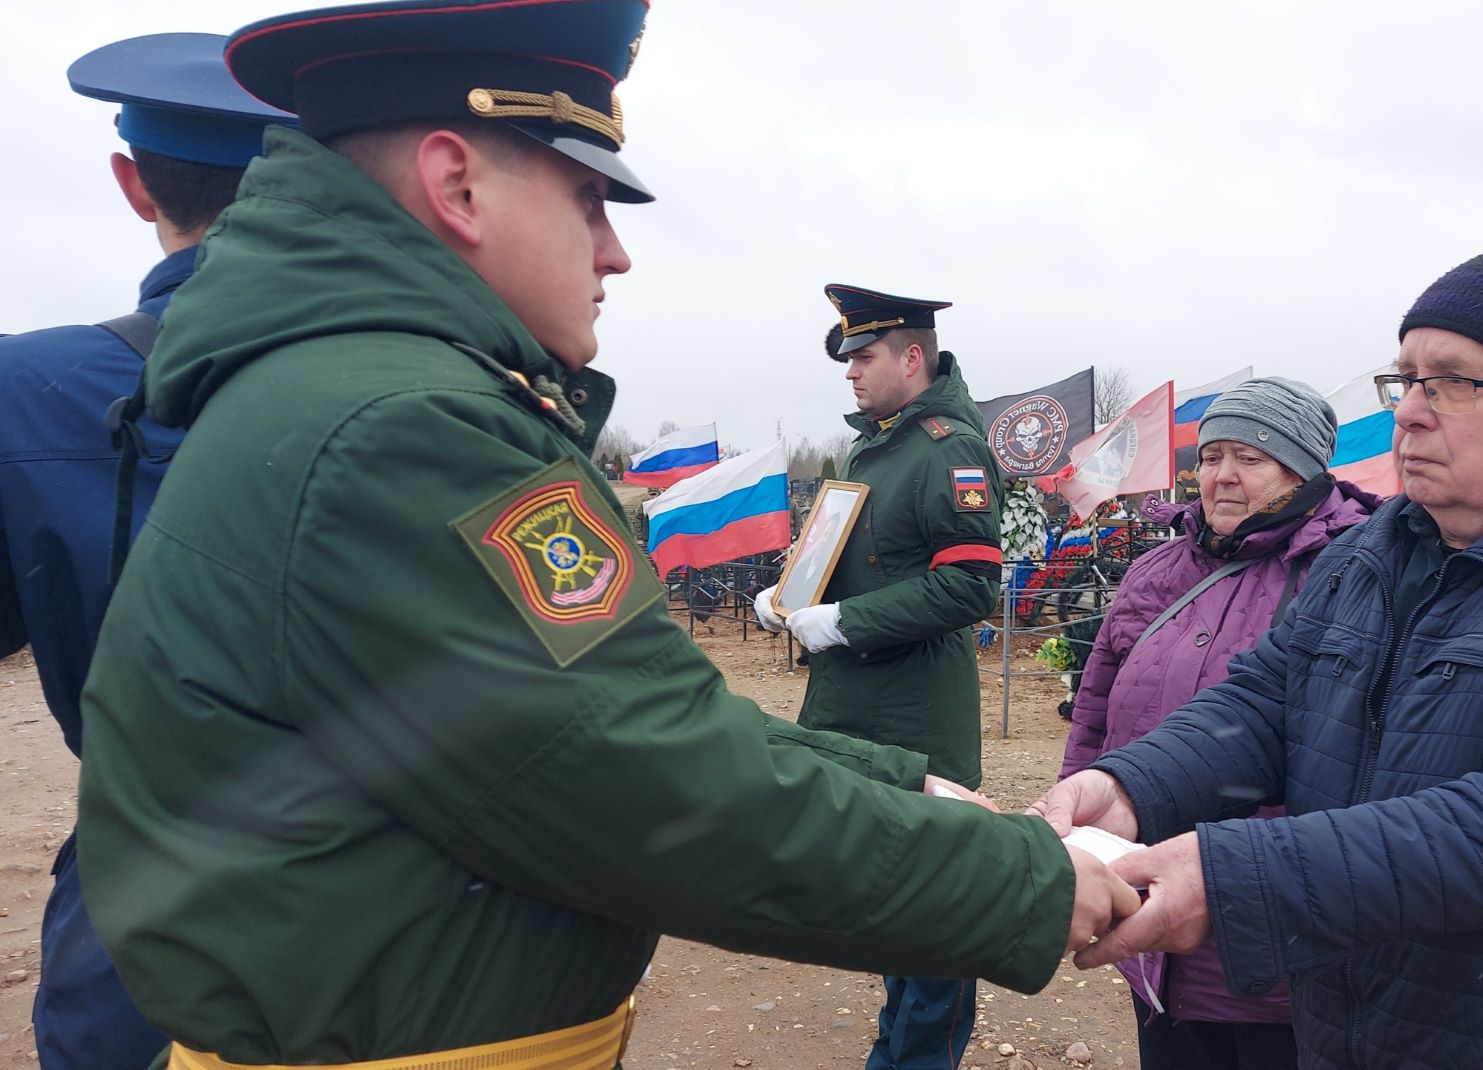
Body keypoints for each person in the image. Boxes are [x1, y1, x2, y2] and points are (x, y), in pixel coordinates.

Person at [74, 3, 1136, 1066]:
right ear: (455, 185)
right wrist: (1025, 879)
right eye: (588, 200)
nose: (616, 252)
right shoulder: (408, 426)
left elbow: (602, 716)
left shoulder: (360, 388)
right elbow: (637, 773)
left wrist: (897, 783)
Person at [1033, 245, 1483, 1068]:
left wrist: (1237, 875)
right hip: (1360, 1024)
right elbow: (1267, 703)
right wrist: (1133, 786)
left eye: (1455, 383)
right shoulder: (1376, 552)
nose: (1411, 413)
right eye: (1408, 381)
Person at [0, 33, 291, 1070]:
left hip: (141, 920)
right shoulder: (465, 377)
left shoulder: (22, 390)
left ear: (133, 182)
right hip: (410, 927)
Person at [1059, 377, 1378, 1069]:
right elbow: (1095, 719)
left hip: (1285, 935)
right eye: (1210, 457)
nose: (1222, 476)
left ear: (1305, 470)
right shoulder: (1154, 573)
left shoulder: (1360, 570)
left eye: (1251, 458)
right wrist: (1080, 829)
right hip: (1149, 911)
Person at [755, 284, 1005, 1070]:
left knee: (933, 909)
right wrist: (790, 596)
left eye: (864, 356)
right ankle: (897, 1052)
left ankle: (917, 1058)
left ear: (911, 357)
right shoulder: (876, 445)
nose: (851, 373)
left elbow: (970, 584)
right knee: (893, 906)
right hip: (859, 705)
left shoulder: (947, 448)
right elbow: (854, 559)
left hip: (915, 715)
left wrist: (846, 622)